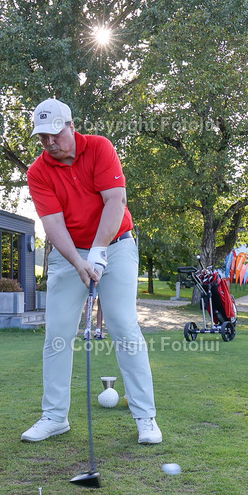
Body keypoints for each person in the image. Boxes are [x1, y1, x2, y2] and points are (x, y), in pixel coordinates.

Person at [21, 98, 161, 444]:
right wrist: (79, 262)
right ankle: (54, 417)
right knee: (57, 333)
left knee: (123, 326)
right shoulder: (38, 172)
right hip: (69, 254)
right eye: (43, 137)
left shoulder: (99, 147)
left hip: (116, 245)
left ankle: (146, 418)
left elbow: (117, 201)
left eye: (55, 134)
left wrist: (98, 253)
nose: (50, 143)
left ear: (71, 125)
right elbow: (53, 224)